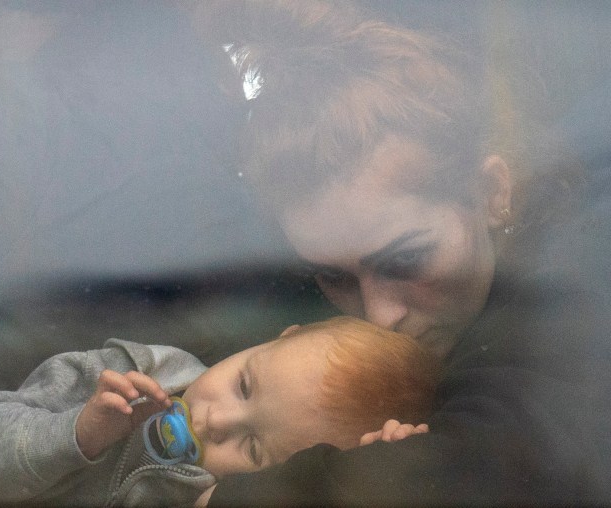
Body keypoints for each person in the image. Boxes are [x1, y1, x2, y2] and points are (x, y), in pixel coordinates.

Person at [187, 1, 611, 505]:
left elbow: (483, 467)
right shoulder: (281, 315)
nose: (378, 317)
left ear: (491, 193)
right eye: (333, 277)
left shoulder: (570, 313)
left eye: (406, 260)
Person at [0, 316, 438, 505]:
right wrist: (76, 434)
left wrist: (370, 480)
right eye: (244, 385)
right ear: (278, 338)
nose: (215, 422)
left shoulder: (218, 497)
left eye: (253, 449)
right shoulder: (124, 375)